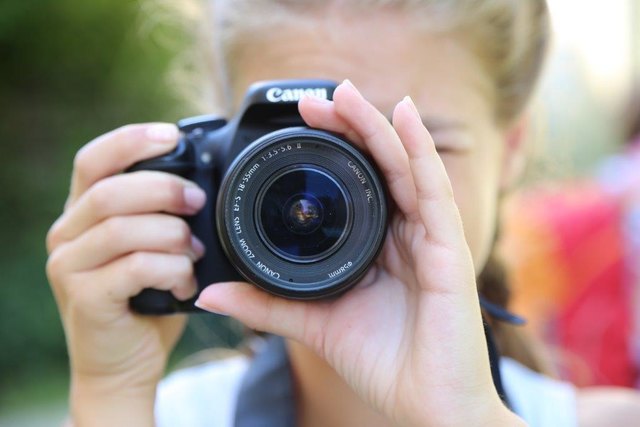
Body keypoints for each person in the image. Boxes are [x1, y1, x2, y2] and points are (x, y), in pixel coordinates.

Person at [45, 0, 640, 426]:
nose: (362, 196)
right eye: (301, 147)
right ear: (220, 163)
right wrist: (111, 395)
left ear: (510, 152)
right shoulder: (160, 416)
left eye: (420, 146)